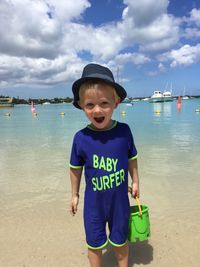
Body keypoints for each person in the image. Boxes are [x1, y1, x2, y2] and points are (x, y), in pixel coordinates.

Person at [69, 63, 139, 267]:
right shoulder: (80, 138)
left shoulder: (124, 131)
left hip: (120, 203)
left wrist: (135, 182)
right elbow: (75, 169)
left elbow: (132, 158)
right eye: (90, 105)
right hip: (93, 205)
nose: (97, 110)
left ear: (116, 102)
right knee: (94, 245)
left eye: (104, 103)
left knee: (121, 243)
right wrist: (74, 194)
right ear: (81, 104)